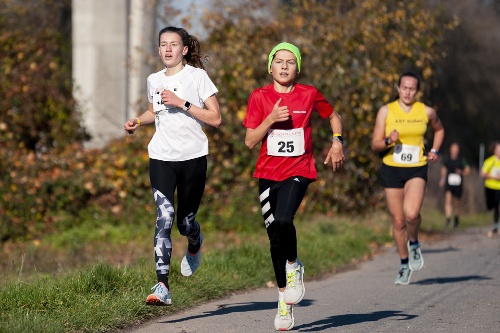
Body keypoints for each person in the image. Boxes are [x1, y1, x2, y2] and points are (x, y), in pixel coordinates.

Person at [243, 42, 344, 331]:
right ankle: (283, 303)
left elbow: (333, 116)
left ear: (297, 67)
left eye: (291, 61)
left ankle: (294, 266)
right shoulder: (259, 97)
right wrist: (271, 119)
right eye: (279, 61)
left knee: (285, 219)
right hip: (267, 174)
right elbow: (250, 141)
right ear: (270, 66)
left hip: (299, 170)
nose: (284, 66)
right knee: (274, 238)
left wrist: (337, 141)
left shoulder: (309, 94)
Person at [123, 26, 221, 305]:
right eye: (163, 44)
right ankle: (162, 286)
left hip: (193, 158)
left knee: (184, 222)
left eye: (174, 44)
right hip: (161, 157)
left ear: (184, 49)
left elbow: (215, 118)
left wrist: (182, 103)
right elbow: (155, 112)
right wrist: (138, 122)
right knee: (164, 217)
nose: (167, 49)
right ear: (158, 49)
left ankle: (194, 240)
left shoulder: (198, 77)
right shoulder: (153, 79)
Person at [371, 70, 444, 286]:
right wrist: (388, 140)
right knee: (398, 221)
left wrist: (435, 151)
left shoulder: (427, 112)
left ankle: (414, 243)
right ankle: (404, 264)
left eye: (412, 88)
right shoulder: (386, 111)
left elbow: (439, 130)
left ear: (417, 91)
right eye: (404, 87)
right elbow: (375, 144)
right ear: (398, 88)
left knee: (411, 214)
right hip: (391, 168)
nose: (408, 92)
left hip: (416, 168)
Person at [439, 142, 470, 228]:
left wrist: (462, 172)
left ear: (458, 151)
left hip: (458, 184)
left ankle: (456, 219)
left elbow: (468, 170)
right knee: (448, 201)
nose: (454, 151)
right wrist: (442, 179)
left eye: (456, 150)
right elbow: (443, 169)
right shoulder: (447, 160)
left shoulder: (461, 160)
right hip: (449, 183)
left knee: (457, 203)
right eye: (453, 150)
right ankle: (448, 220)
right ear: (450, 150)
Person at [480, 142, 500, 237]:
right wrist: (494, 177)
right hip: (489, 186)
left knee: (497, 205)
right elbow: (483, 173)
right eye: (498, 149)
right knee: (490, 205)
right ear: (494, 151)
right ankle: (490, 212)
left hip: (499, 188)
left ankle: (496, 225)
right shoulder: (489, 161)